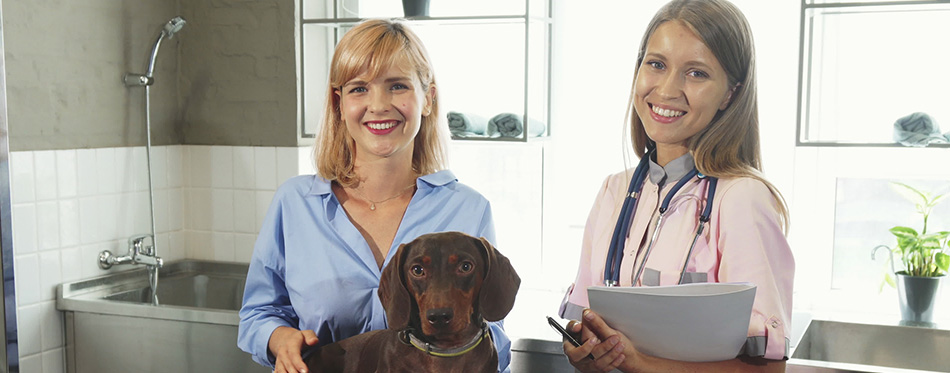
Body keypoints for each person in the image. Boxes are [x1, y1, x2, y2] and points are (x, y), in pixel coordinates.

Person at [237, 19, 511, 373]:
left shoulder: (467, 208)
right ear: (339, 104)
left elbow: (492, 328)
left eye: (397, 86)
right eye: (359, 89)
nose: (378, 105)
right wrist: (279, 338)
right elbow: (258, 313)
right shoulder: (295, 204)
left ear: (427, 99)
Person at [558, 0, 794, 371]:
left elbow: (769, 367)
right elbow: (584, 330)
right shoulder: (613, 193)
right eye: (656, 64)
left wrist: (639, 363)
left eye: (696, 73)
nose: (667, 90)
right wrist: (587, 352)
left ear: (730, 94)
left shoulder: (742, 199)